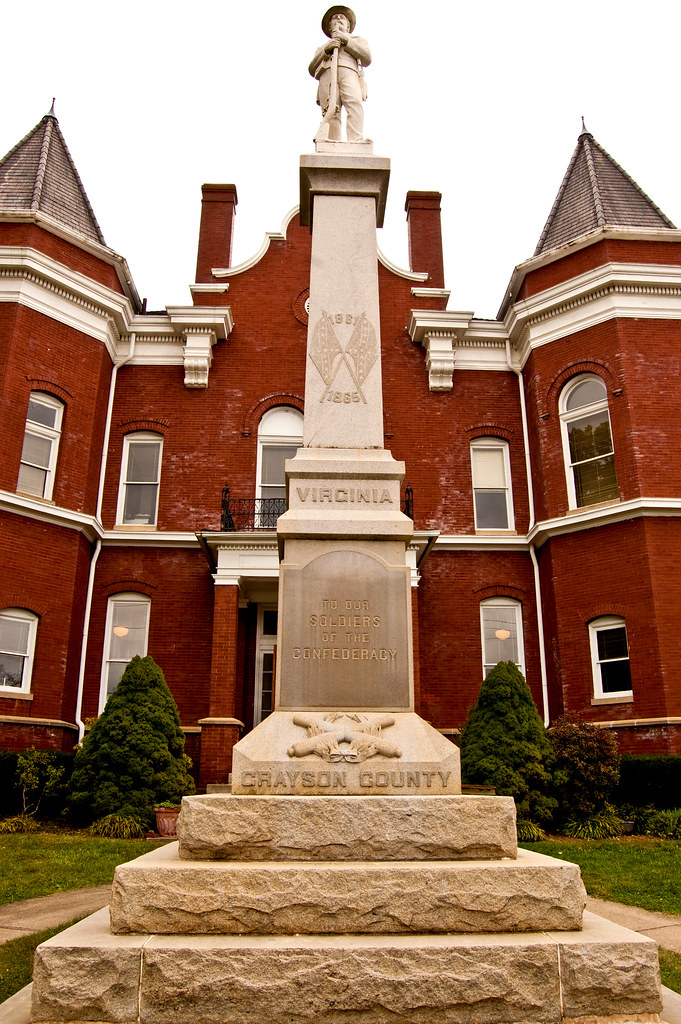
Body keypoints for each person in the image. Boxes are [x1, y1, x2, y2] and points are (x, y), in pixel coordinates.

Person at [309, 6, 371, 143]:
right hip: (327, 74)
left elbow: (367, 58)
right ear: (330, 27)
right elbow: (312, 68)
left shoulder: (357, 40)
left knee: (354, 103)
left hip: (349, 72)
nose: (338, 19)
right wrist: (326, 49)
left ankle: (356, 139)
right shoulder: (323, 47)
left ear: (348, 27)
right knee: (331, 109)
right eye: (334, 18)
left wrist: (346, 40)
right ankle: (332, 140)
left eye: (342, 18)